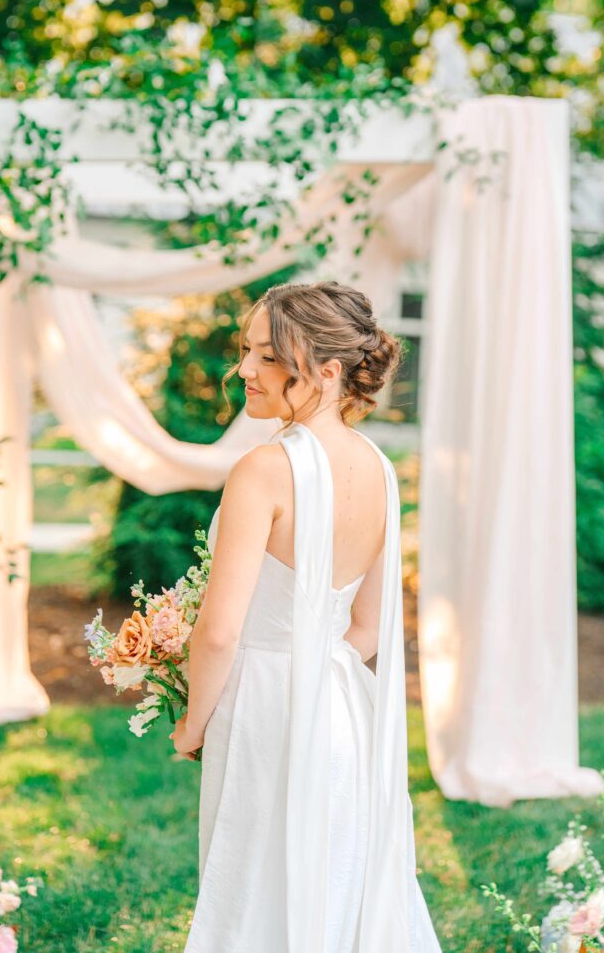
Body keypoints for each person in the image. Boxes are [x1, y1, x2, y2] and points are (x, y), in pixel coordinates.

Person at [169, 280, 443, 952]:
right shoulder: (379, 469)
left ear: (327, 370)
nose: (244, 369)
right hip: (342, 707)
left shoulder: (263, 469)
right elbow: (367, 626)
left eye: (267, 356)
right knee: (335, 881)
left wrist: (192, 723)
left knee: (253, 890)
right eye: (246, 351)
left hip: (264, 710)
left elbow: (219, 631)